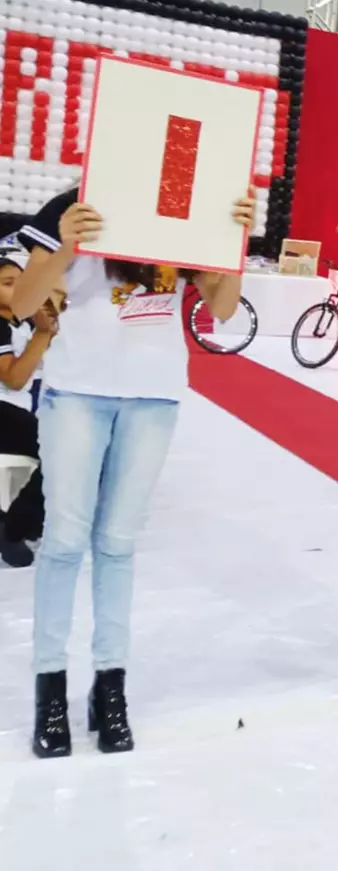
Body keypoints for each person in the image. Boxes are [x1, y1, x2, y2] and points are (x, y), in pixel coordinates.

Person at [16, 186, 254, 758]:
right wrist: (67, 244)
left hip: (154, 396)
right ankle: (50, 692)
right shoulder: (74, 203)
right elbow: (22, 303)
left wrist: (236, 239)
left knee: (118, 544)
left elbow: (221, 309)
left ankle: (110, 689)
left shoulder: (188, 204)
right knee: (65, 543)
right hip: (76, 392)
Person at [0, 252, 57, 569]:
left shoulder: (19, 323)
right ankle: (15, 529)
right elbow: (15, 378)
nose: (19, 289)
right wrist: (43, 335)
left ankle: (18, 522)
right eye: (9, 283)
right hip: (7, 410)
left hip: (18, 412)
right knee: (56, 452)